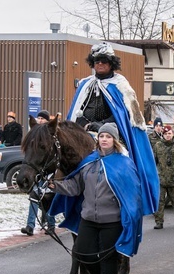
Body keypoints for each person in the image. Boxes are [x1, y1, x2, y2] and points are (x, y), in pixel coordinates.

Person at [49, 124, 143, 274]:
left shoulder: (123, 163)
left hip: (112, 221)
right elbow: (75, 187)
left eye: (108, 136)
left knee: (107, 257)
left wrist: (130, 216)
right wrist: (55, 186)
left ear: (114, 140)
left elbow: (132, 193)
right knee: (82, 252)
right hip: (88, 218)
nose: (104, 139)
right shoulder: (89, 162)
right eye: (102, 136)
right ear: (97, 139)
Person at [68, 42, 159, 217]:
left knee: (122, 158)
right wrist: (83, 124)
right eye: (96, 61)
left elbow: (124, 115)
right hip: (85, 130)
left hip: (113, 132)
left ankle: (125, 196)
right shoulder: (86, 84)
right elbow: (76, 111)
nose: (99, 64)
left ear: (111, 63)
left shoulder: (121, 86)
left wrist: (102, 127)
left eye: (103, 61)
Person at [21, 110, 56, 236]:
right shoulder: (35, 135)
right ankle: (30, 225)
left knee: (48, 198)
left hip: (48, 173)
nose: (40, 120)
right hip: (37, 172)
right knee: (34, 196)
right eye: (39, 118)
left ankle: (50, 225)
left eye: (43, 118)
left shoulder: (50, 135)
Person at [153, 125, 174, 229]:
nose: (168, 136)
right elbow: (153, 161)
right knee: (159, 201)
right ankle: (159, 221)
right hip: (161, 178)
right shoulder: (158, 145)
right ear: (163, 135)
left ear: (172, 134)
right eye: (166, 134)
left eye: (169, 134)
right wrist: (153, 173)